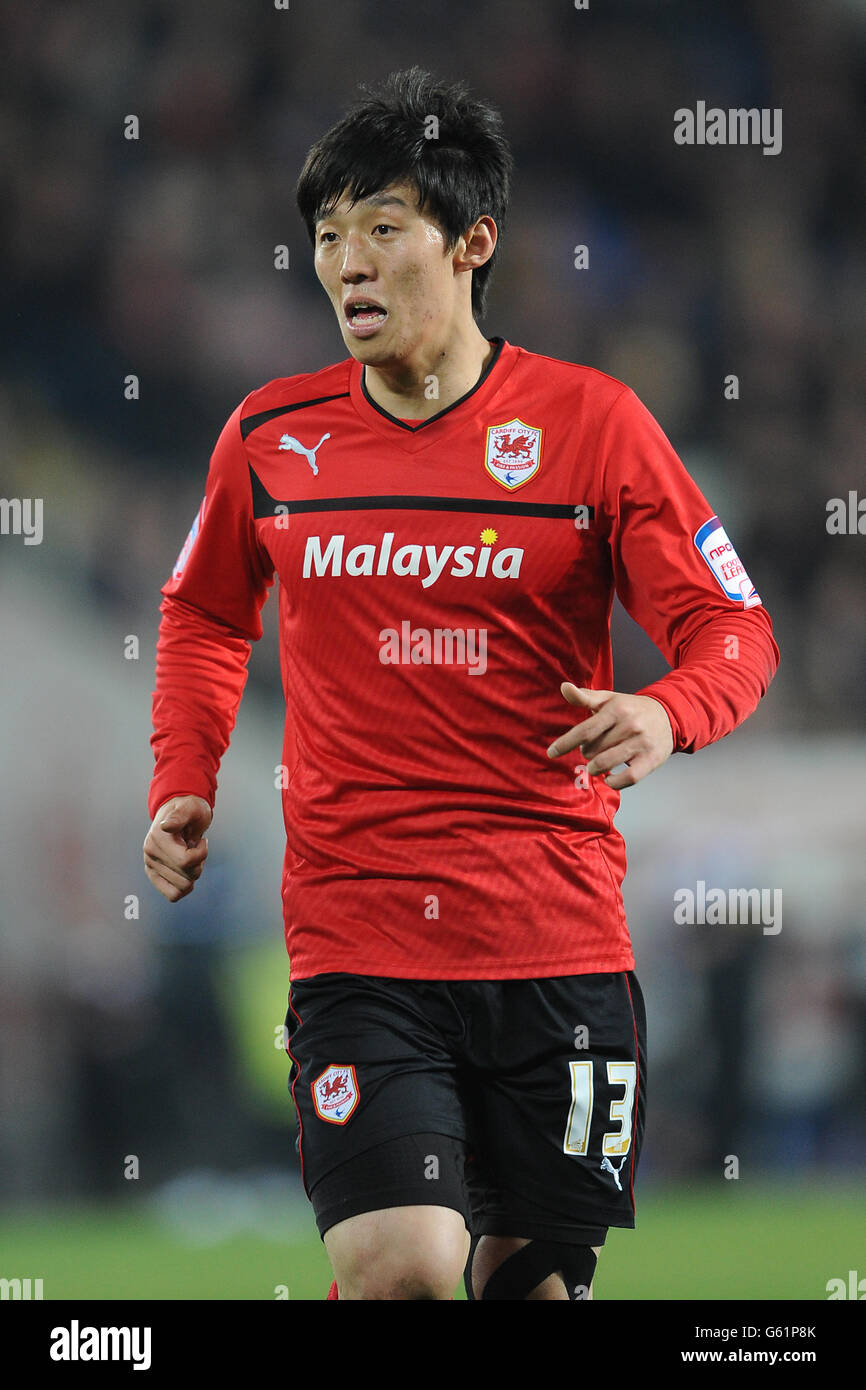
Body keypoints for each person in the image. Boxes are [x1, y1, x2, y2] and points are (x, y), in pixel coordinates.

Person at [143, 67, 779, 1300]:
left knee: (524, 1290)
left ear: (472, 241)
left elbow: (733, 627)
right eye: (327, 237)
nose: (348, 266)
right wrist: (184, 776)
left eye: (382, 228)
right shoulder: (272, 438)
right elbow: (205, 612)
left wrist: (666, 707)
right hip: (356, 938)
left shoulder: (592, 428)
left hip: (553, 938)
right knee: (403, 1271)